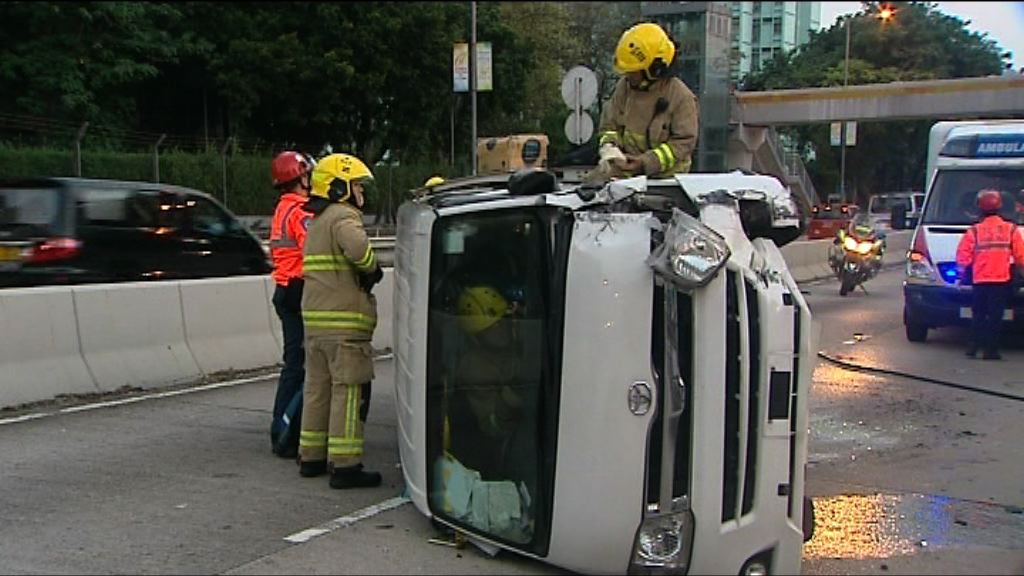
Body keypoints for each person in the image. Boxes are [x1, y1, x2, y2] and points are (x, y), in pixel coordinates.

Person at [298, 153, 385, 489]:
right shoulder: (343, 216)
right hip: (344, 326)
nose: (361, 192)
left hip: (317, 323)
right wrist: (373, 270)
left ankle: (311, 456)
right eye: (357, 186)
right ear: (339, 188)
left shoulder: (316, 221)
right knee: (348, 391)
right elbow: (358, 248)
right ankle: (346, 465)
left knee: (317, 390)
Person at [597, 22, 699, 180]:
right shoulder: (624, 88)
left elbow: (683, 144)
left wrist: (645, 163)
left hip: (667, 184)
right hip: (626, 179)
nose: (628, 76)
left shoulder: (681, 97)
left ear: (655, 69)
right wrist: (610, 149)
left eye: (633, 72)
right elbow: (610, 126)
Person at [268, 150, 315, 458]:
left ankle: (281, 426)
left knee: (293, 363)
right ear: (300, 177)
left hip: (284, 290)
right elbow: (314, 252)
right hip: (298, 290)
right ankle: (285, 431)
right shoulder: (301, 212)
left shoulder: (282, 209)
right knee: (300, 365)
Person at [956, 189, 1024, 360]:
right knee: (995, 317)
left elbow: (963, 254)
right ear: (1000, 207)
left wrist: (962, 272)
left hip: (980, 280)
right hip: (1001, 280)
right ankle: (991, 351)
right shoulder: (1011, 229)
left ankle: (973, 347)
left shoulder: (975, 230)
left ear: (980, 208)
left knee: (978, 314)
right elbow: (1021, 255)